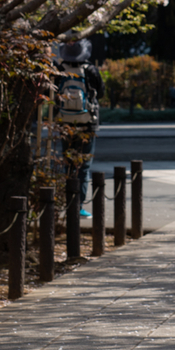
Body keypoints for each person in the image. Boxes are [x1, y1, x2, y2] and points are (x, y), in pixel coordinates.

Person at [56, 36, 104, 218]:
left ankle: (68, 203)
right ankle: (79, 205)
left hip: (65, 123)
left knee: (67, 164)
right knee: (83, 167)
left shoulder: (59, 70)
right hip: (87, 124)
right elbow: (101, 93)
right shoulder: (91, 70)